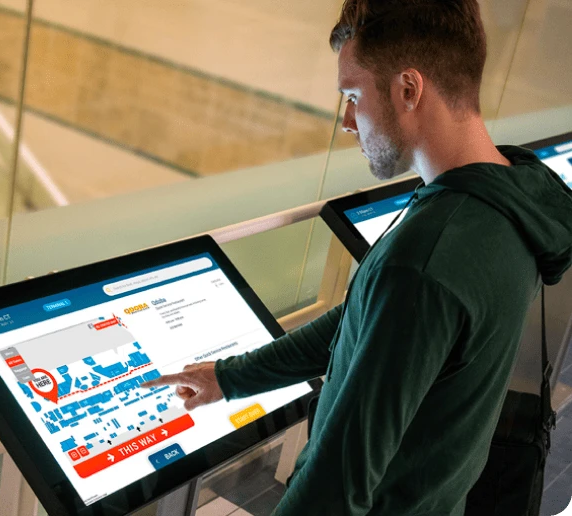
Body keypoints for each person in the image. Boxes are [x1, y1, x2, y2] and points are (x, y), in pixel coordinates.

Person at [143, 0, 572, 513]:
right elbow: (363, 324)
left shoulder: (426, 260)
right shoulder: (507, 194)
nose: (346, 120)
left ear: (408, 89)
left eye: (352, 94)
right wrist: (231, 377)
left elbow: (335, 488)